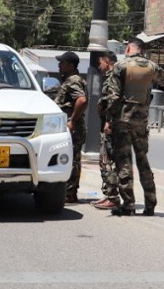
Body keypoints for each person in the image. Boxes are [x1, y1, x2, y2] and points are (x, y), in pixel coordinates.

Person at [102, 38, 164, 217]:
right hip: (142, 121)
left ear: (129, 48)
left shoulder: (121, 66)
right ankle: (150, 204)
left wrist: (108, 117)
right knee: (143, 162)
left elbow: (114, 97)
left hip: (122, 121)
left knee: (124, 162)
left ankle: (129, 205)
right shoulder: (152, 66)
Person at [52, 51, 87, 204]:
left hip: (73, 127)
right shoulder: (69, 79)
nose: (59, 65)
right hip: (69, 125)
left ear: (71, 65)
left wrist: (72, 121)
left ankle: (70, 193)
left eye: (62, 63)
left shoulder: (73, 80)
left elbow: (82, 100)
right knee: (71, 158)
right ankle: (68, 192)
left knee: (71, 159)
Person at [91, 51, 121, 211]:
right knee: (107, 160)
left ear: (107, 61)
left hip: (111, 127)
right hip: (110, 125)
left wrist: (109, 121)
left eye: (100, 62)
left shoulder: (113, 78)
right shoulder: (115, 76)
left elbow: (113, 101)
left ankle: (113, 198)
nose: (99, 66)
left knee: (107, 161)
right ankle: (109, 195)